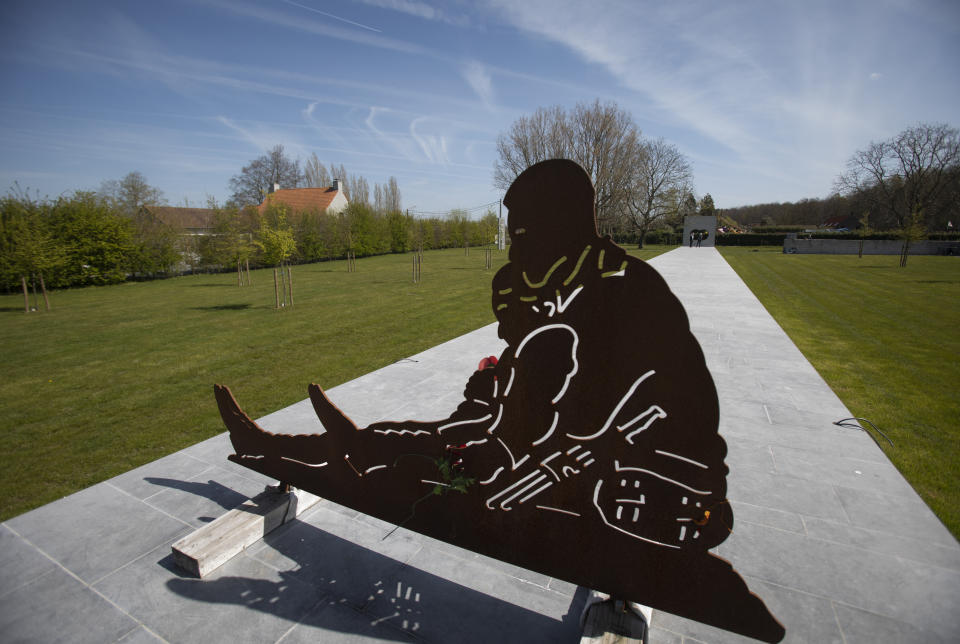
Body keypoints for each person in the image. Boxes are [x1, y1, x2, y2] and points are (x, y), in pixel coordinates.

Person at [216, 159, 783, 642]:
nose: (516, 244)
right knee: (446, 432)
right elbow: (524, 373)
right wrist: (491, 397)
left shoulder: (629, 290)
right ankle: (315, 444)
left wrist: (540, 447)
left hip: (652, 468)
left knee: (456, 454)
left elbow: (639, 400)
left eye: (525, 232)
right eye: (514, 233)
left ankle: (363, 449)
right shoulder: (536, 284)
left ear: (565, 225)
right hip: (554, 436)